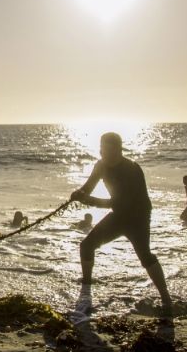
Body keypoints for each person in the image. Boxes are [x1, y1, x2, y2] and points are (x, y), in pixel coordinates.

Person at [70, 132, 173, 314]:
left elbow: (116, 202)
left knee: (145, 256)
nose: (104, 153)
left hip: (138, 217)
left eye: (109, 149)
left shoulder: (132, 169)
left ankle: (166, 298)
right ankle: (86, 289)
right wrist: (79, 193)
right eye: (102, 148)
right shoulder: (100, 165)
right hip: (118, 216)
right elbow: (88, 187)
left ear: (119, 149)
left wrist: (90, 201)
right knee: (86, 246)